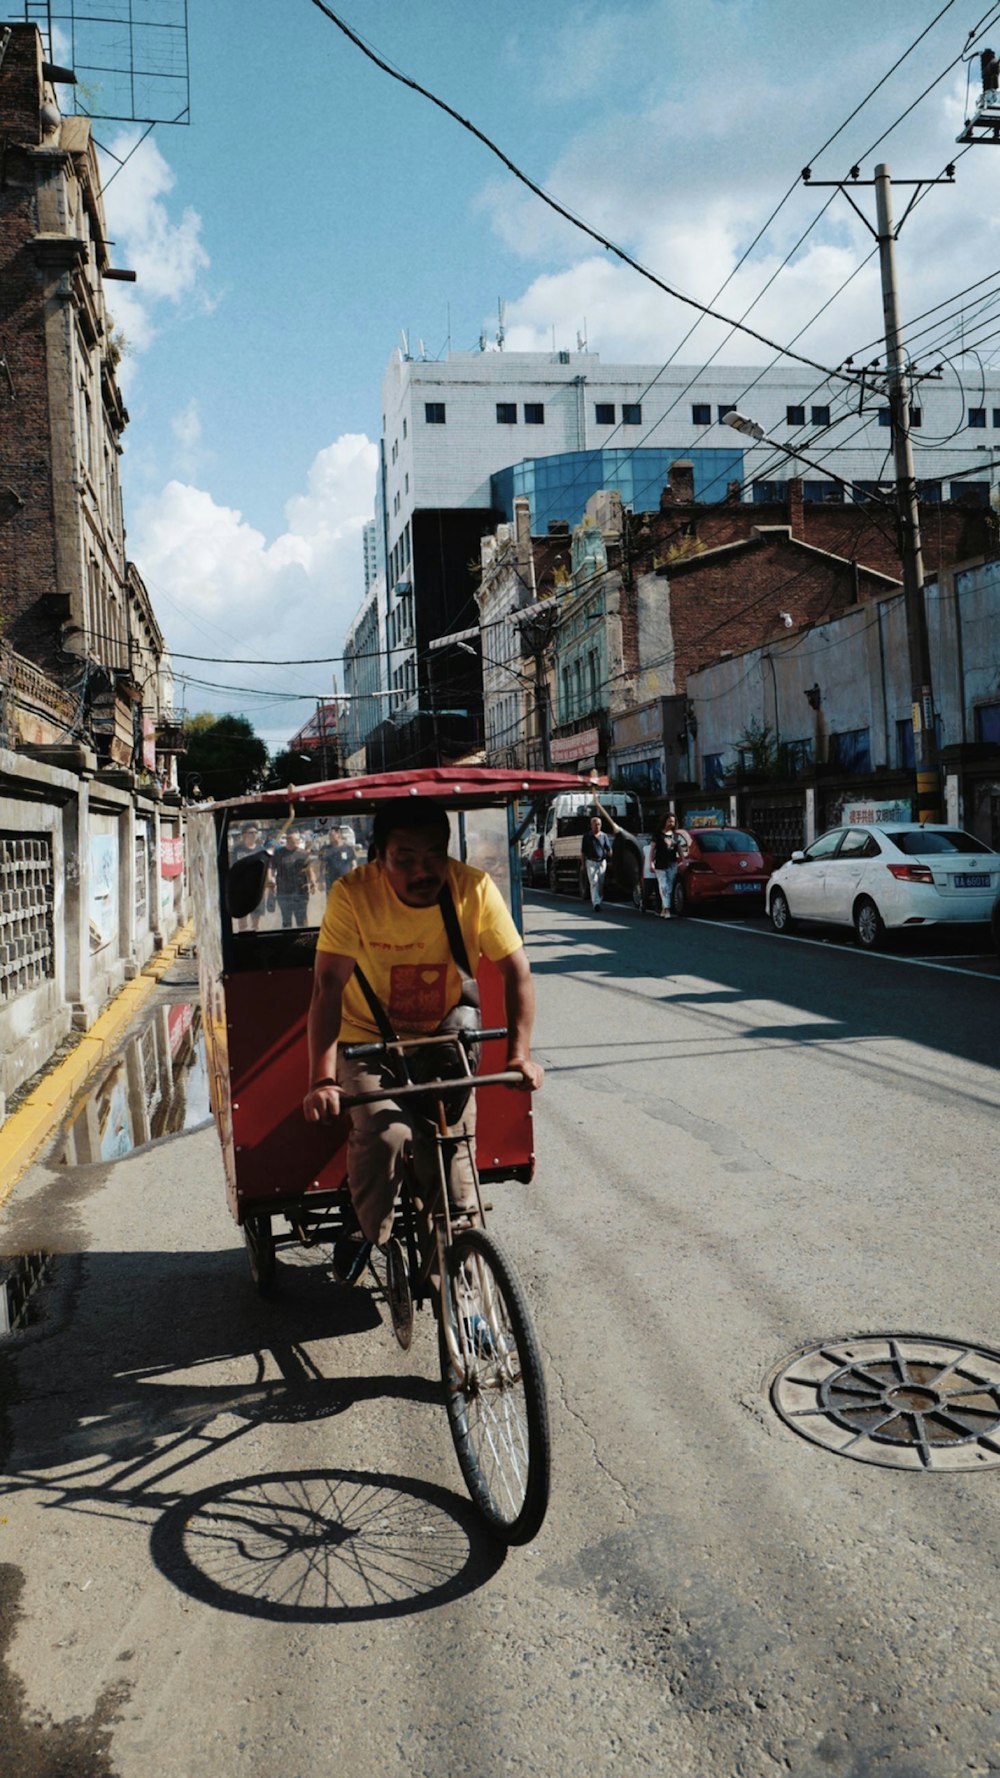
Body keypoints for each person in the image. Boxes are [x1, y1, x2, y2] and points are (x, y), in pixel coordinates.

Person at [303, 798, 544, 1282]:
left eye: (433, 855)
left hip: (443, 1034)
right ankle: (366, 1227)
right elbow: (328, 987)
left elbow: (517, 970)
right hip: (366, 1038)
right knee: (387, 1132)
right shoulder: (353, 895)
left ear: (448, 852)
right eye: (405, 858)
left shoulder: (472, 888)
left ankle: (457, 1287)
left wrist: (519, 1056)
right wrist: (322, 1079)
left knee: (451, 1152)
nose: (422, 870)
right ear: (379, 855)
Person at [230, 822, 269, 931]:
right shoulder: (236, 850)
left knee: (256, 918)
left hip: (257, 888)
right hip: (241, 889)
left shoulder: (261, 849)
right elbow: (232, 867)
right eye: (251, 832)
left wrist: (267, 885)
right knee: (242, 918)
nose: (254, 835)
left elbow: (266, 868)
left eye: (256, 833)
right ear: (244, 835)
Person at [272, 829, 315, 928]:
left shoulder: (304, 854)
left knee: (302, 919)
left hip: (301, 892)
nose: (298, 842)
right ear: (288, 840)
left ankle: (304, 940)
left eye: (298, 840)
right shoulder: (279, 853)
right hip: (284, 892)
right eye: (295, 840)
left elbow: (309, 870)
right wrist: (270, 880)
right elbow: (271, 867)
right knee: (286, 920)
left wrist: (312, 882)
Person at [652, 811, 688, 919]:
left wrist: (684, 860)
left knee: (669, 888)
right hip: (660, 864)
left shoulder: (676, 836)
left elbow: (680, 849)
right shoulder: (658, 835)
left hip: (672, 864)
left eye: (673, 821)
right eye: (669, 821)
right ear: (665, 821)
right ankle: (667, 910)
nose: (671, 823)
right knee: (663, 886)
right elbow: (652, 850)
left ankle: (664, 908)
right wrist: (650, 863)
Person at [580, 813, 613, 910]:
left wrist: (612, 860)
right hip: (591, 861)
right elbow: (583, 851)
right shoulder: (587, 836)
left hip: (602, 861)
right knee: (594, 881)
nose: (597, 826)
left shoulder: (604, 836)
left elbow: (608, 849)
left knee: (600, 882)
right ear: (591, 825)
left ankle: (599, 898)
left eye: (598, 824)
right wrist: (583, 864)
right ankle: (596, 903)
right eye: (595, 824)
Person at [320, 825, 357, 891]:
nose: (329, 837)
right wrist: (322, 880)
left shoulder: (348, 848)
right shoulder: (325, 849)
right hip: (331, 882)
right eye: (329, 835)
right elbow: (322, 865)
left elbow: (354, 865)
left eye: (332, 835)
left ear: (339, 835)